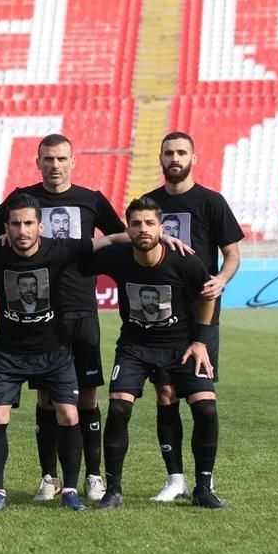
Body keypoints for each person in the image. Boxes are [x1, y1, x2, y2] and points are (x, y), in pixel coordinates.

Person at [0, 193, 126, 512]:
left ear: (40, 226)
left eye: (29, 223)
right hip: (9, 353)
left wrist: (152, 237)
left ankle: (70, 490)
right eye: (16, 224)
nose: (22, 230)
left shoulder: (59, 249)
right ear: (6, 227)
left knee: (69, 414)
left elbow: (109, 240)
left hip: (54, 350)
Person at [0, 134, 125, 503]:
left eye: (62, 158)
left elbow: (122, 238)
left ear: (73, 161)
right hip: (40, 318)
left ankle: (93, 476)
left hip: (81, 309)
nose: (55, 165)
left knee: (87, 398)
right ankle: (49, 477)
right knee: (47, 399)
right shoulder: (21, 200)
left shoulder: (92, 200)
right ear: (38, 162)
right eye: (48, 159)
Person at [78, 197, 225, 509]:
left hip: (181, 346)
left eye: (149, 223)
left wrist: (200, 341)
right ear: (128, 229)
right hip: (134, 347)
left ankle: (203, 488)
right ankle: (113, 490)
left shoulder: (184, 261)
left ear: (162, 228)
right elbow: (76, 259)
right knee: (119, 408)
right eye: (136, 224)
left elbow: (208, 294)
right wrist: (113, 239)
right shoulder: (117, 257)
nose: (143, 229)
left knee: (206, 408)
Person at [144, 131, 244, 502]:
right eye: (169, 152)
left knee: (203, 401)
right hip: (159, 315)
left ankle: (205, 480)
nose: (175, 158)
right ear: (161, 158)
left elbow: (232, 254)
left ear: (193, 158)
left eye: (181, 152)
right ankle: (175, 480)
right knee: (166, 395)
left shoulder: (211, 202)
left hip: (201, 315)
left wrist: (221, 279)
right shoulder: (149, 203)